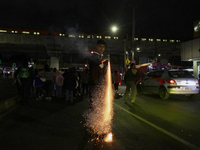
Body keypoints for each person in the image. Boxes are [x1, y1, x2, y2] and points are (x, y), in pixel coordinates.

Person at [88, 39, 108, 110]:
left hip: (101, 83)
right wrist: (103, 60)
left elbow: (106, 72)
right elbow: (94, 62)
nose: (101, 48)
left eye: (103, 47)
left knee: (101, 101)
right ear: (96, 47)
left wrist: (109, 82)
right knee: (93, 102)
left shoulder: (104, 58)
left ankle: (99, 117)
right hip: (94, 83)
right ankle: (91, 118)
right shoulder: (93, 56)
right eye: (100, 46)